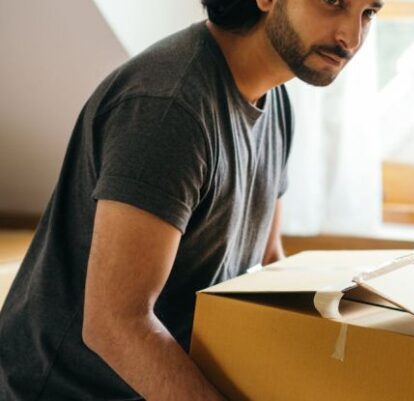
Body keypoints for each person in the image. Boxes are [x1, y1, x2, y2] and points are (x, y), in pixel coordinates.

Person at [0, 0, 382, 399]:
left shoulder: (276, 100)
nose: (351, 37)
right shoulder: (169, 107)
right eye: (334, 2)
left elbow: (268, 264)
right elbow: (115, 324)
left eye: (368, 12)